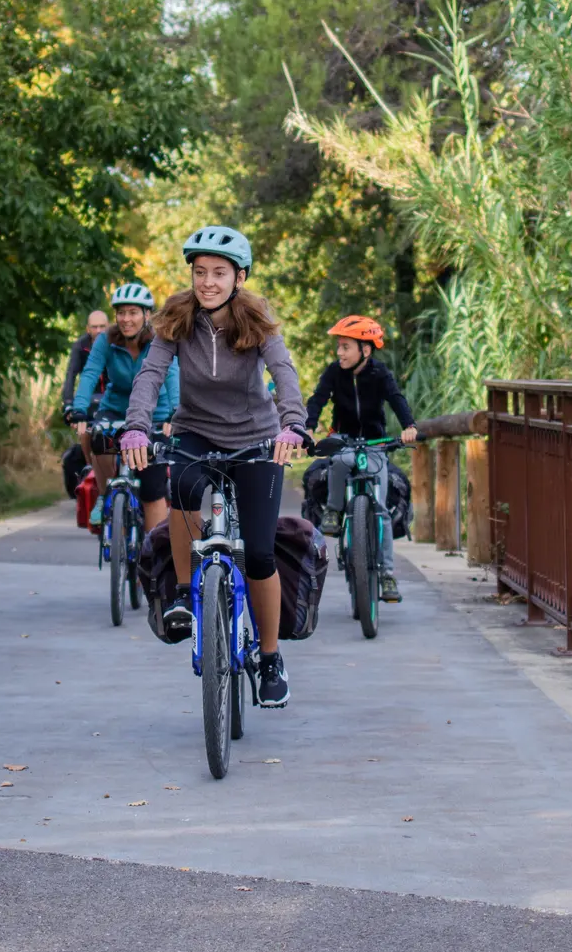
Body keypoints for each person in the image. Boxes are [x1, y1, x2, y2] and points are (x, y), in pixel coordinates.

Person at [121, 227, 306, 708]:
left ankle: (270, 657)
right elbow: (150, 375)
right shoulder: (176, 318)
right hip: (195, 431)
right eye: (200, 272)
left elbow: (283, 372)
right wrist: (137, 428)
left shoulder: (257, 317)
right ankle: (185, 592)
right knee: (180, 485)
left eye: (219, 273)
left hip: (256, 437)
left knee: (261, 555)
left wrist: (293, 426)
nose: (208, 282)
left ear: (238, 277)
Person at [305, 315, 417, 601]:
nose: (339, 353)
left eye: (345, 347)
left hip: (374, 441)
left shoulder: (379, 374)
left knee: (380, 509)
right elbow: (318, 398)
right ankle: (333, 509)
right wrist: (307, 425)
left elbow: (396, 398)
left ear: (365, 350)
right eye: (339, 347)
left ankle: (388, 575)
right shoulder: (334, 372)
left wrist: (409, 426)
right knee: (340, 461)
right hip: (344, 437)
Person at [67, 283, 177, 533]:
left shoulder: (160, 340)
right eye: (121, 313)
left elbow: (172, 375)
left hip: (153, 414)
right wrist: (80, 408)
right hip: (115, 410)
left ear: (147, 315)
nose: (126, 319)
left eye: (133, 312)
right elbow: (90, 374)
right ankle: (105, 493)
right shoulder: (106, 340)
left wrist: (175, 411)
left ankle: (151, 557)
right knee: (99, 439)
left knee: (152, 489)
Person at [59, 309, 111, 410]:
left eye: (102, 326)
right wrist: (68, 403)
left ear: (108, 327)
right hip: (90, 398)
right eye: (94, 327)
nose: (99, 330)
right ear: (88, 329)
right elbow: (71, 375)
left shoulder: (117, 344)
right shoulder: (80, 346)